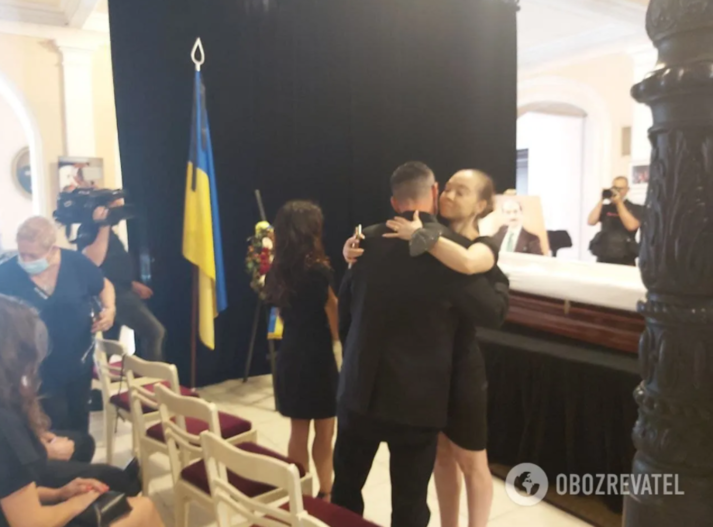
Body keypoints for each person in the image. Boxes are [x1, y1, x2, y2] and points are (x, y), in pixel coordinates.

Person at [332, 162, 508, 527]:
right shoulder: (450, 252)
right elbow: (493, 312)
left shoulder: (364, 242)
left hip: (358, 390)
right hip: (417, 400)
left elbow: (345, 314)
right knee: (409, 505)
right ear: (434, 191)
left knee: (345, 491)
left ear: (394, 202)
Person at [0, 294, 163, 527]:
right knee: (143, 508)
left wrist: (58, 494)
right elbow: (31, 522)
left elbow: (10, 493)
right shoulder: (6, 426)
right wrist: (74, 504)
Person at [0, 217, 115, 433]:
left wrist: (109, 309)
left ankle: (80, 454)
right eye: (22, 253)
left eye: (32, 255)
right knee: (51, 423)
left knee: (78, 420)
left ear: (52, 250)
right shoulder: (6, 274)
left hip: (78, 360)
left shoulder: (76, 263)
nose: (25, 260)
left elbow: (103, 284)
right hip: (34, 367)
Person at [264, 201, 340, 501]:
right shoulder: (319, 271)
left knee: (298, 432)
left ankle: (299, 497)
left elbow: (282, 314)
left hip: (291, 356)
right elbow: (335, 321)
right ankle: (326, 493)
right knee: (325, 433)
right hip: (318, 360)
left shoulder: (277, 271)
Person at [79, 200, 165, 361]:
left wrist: (130, 283)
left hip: (121, 289)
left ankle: (112, 374)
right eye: (114, 208)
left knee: (111, 341)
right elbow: (93, 261)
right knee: (154, 332)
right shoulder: (90, 230)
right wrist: (103, 225)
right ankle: (152, 374)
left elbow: (112, 265)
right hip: (112, 294)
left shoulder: (106, 232)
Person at [587, 176, 643, 266]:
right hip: (604, 255)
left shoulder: (636, 208)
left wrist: (619, 203)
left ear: (627, 190)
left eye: (620, 189)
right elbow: (591, 221)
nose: (617, 191)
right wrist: (602, 200)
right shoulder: (606, 207)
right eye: (615, 188)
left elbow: (632, 226)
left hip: (625, 257)